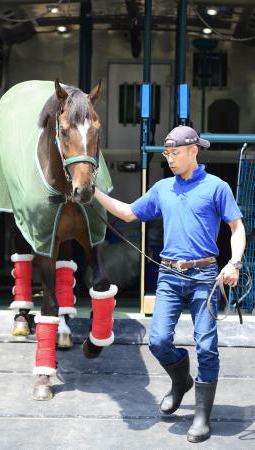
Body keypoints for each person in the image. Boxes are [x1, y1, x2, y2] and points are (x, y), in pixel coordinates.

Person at [93, 125, 246, 443]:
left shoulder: (217, 188)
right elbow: (126, 213)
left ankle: (202, 415)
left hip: (205, 276)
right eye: (167, 153)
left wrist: (234, 263)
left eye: (175, 153)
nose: (170, 159)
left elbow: (236, 227)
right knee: (159, 341)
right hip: (169, 276)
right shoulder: (163, 188)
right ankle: (181, 381)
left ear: (194, 151)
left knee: (206, 345)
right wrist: (91, 191)